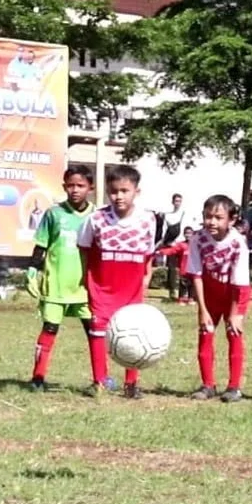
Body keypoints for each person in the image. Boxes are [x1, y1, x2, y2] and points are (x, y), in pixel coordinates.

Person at [76, 165, 158, 399]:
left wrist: (147, 278)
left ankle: (131, 384)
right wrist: (86, 278)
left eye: (124, 191)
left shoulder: (147, 220)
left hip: (131, 289)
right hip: (102, 287)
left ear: (136, 192)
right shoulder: (96, 219)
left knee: (133, 334)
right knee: (98, 331)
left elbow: (148, 254)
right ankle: (100, 380)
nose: (119, 196)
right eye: (114, 191)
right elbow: (84, 250)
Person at [29, 165, 104, 392]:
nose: (75, 190)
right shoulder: (54, 214)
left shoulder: (97, 216)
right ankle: (38, 378)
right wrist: (32, 270)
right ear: (64, 187)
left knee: (94, 331)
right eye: (70, 185)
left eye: (80, 185)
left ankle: (100, 380)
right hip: (56, 285)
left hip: (85, 288)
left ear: (90, 188)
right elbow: (41, 244)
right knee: (50, 328)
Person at [187, 196, 252, 403]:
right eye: (208, 216)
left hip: (234, 294)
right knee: (206, 333)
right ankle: (208, 385)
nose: (212, 222)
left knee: (234, 334)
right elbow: (196, 275)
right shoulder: (198, 239)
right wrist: (202, 309)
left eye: (218, 217)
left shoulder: (237, 243)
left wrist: (235, 313)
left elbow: (239, 281)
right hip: (210, 294)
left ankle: (234, 387)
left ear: (231, 220)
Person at [156, 226, 195, 305]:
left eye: (190, 233)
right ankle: (181, 299)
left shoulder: (197, 245)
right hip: (184, 269)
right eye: (186, 233)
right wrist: (160, 252)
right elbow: (172, 251)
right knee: (183, 285)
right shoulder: (181, 245)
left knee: (192, 285)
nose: (188, 235)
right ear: (184, 234)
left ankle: (191, 299)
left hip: (194, 270)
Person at [161, 193, 186, 301]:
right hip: (170, 244)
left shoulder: (184, 214)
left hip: (181, 244)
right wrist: (164, 243)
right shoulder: (167, 215)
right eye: (176, 201)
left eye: (179, 201)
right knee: (171, 268)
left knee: (182, 268)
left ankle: (183, 293)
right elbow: (164, 230)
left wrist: (179, 242)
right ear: (173, 202)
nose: (177, 203)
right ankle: (172, 291)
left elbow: (185, 230)